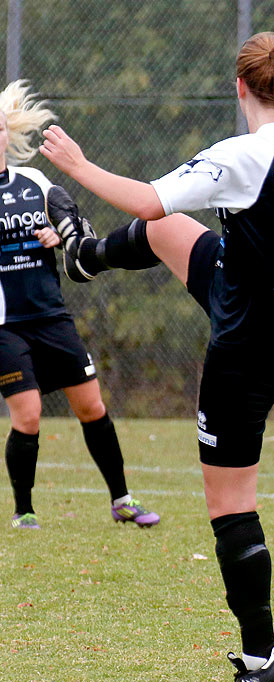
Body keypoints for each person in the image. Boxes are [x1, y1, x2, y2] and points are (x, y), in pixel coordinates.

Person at [38, 11, 274, 682]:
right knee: (172, 234)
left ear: (241, 86)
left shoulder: (243, 157)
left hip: (246, 343)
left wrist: (76, 165)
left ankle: (262, 657)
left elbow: (145, 197)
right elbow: (173, 220)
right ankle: (83, 259)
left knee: (229, 505)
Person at [0, 80, 159, 531]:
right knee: (28, 414)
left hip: (51, 317)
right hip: (5, 326)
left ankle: (122, 501)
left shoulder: (33, 182)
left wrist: (59, 234)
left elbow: (74, 225)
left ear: (7, 133)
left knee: (91, 407)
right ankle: (24, 510)